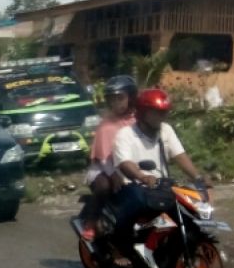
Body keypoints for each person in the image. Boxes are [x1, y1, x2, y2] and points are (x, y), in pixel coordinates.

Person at [109, 88, 207, 251]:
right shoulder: (125, 135)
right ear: (143, 112)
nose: (160, 117)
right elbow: (125, 163)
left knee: (188, 212)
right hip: (132, 185)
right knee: (136, 202)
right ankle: (119, 246)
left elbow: (180, 156)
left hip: (161, 185)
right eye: (156, 113)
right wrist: (142, 176)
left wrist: (198, 177)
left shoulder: (166, 130)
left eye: (163, 113)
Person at [79, 75, 137, 240]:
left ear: (131, 98)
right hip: (105, 169)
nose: (116, 103)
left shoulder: (138, 122)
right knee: (104, 186)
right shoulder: (107, 125)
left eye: (120, 98)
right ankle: (91, 221)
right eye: (112, 99)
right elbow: (104, 158)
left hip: (131, 168)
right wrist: (114, 174)